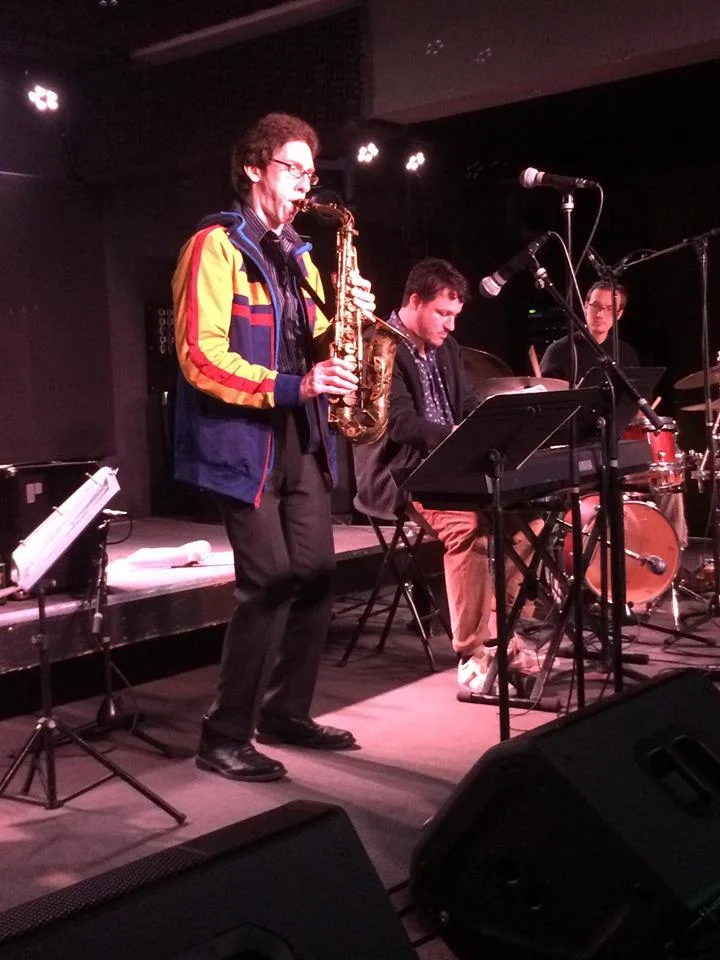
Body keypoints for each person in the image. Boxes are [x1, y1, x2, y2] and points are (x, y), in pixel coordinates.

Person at [172, 112, 376, 782]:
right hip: (242, 441)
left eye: (310, 173)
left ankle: (286, 711)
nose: (304, 184)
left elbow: (319, 337)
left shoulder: (298, 252)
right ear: (254, 167)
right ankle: (223, 734)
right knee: (267, 581)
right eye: (292, 169)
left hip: (301, 437)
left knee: (315, 572)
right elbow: (201, 356)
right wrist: (295, 384)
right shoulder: (215, 246)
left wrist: (351, 315)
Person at [353, 258, 540, 693]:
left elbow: (468, 402)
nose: (451, 325)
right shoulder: (380, 345)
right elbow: (400, 424)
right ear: (414, 301)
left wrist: (495, 422)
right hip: (403, 474)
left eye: (455, 315)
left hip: (452, 468)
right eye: (443, 313)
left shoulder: (448, 348)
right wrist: (459, 437)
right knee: (468, 530)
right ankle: (473, 651)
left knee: (530, 522)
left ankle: (500, 630)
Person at [540, 279, 688, 549]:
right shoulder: (559, 352)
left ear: (618, 315)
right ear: (585, 306)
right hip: (578, 449)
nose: (600, 313)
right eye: (595, 306)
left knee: (667, 475)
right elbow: (550, 410)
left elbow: (634, 407)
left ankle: (670, 556)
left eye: (609, 309)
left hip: (618, 446)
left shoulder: (625, 353)